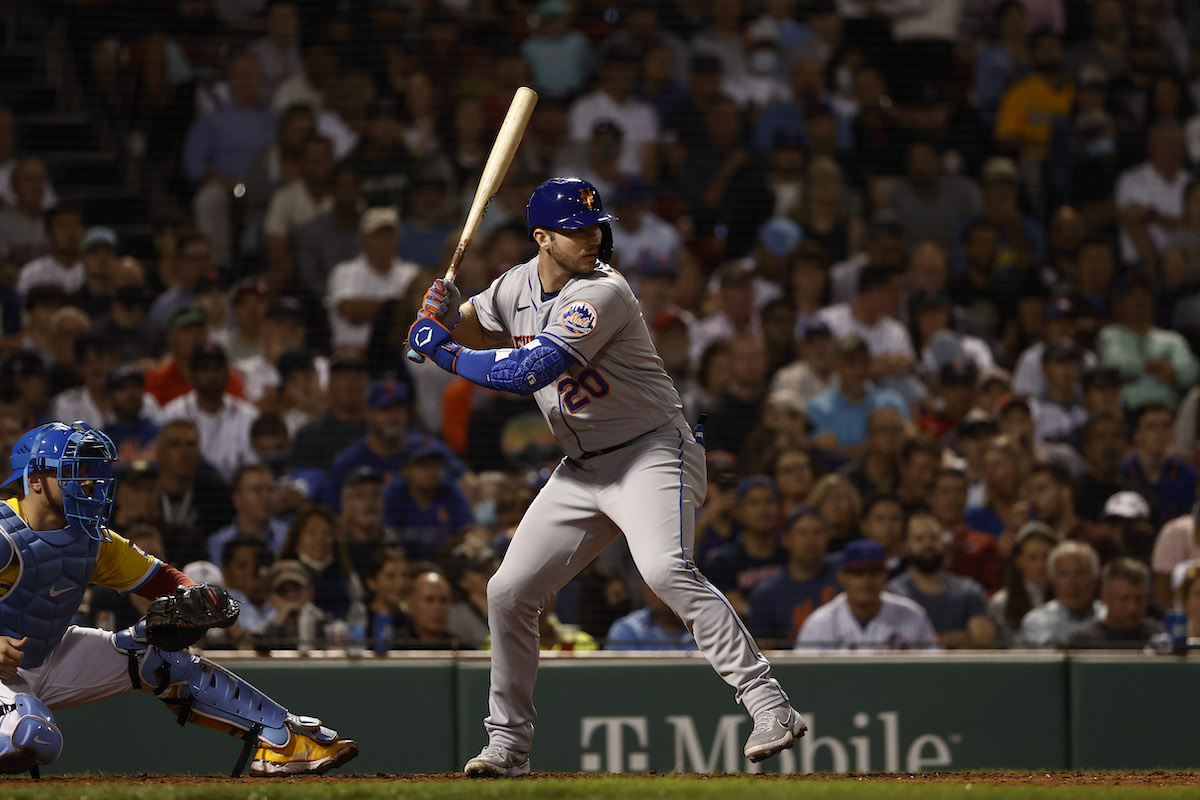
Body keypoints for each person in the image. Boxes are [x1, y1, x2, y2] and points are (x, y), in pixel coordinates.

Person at [405, 177, 807, 775]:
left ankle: (770, 704)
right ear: (542, 238)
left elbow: (526, 370)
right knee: (508, 592)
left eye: (596, 226)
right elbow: (465, 323)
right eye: (576, 230)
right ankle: (509, 746)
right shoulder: (513, 285)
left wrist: (439, 348)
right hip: (581, 467)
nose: (593, 237)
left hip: (651, 451)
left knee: (666, 569)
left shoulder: (605, 291)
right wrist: (438, 313)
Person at [0, 421, 356, 776]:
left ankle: (286, 739)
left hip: (46, 656)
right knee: (35, 736)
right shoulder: (4, 532)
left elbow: (160, 578)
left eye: (91, 470)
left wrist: (195, 597)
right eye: (74, 471)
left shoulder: (90, 539)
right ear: (35, 480)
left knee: (157, 657)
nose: (90, 482)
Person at [794, 539, 938, 650]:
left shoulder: (913, 616)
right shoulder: (819, 624)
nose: (866, 580)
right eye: (858, 573)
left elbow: (934, 670)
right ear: (842, 577)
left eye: (874, 572)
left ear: (885, 576)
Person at [886, 510, 996, 648]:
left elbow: (984, 643)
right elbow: (898, 647)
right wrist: (959, 637)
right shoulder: (893, 594)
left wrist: (925, 643)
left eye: (934, 537)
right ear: (905, 545)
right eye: (919, 539)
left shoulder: (969, 590)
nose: (928, 544)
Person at [747, 505, 840, 649]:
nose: (811, 540)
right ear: (786, 539)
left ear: (828, 538)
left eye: (817, 532)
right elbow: (765, 653)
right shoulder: (766, 594)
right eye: (802, 533)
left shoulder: (846, 577)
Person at [1019, 540, 1104, 647]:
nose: (1072, 583)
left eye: (1080, 573)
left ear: (1094, 579)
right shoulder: (1036, 622)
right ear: (1052, 580)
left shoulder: (1109, 617)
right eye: (1064, 574)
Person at [1063, 558, 1163, 649]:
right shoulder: (1082, 642)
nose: (1132, 607)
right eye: (1124, 599)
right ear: (1104, 596)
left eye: (1139, 599)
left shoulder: (1159, 637)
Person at [990, 522, 1057, 644]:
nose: (1040, 565)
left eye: (1046, 556)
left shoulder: (1067, 598)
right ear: (1019, 561)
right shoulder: (1002, 603)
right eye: (1032, 558)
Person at [605, 583, 698, 651]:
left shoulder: (706, 627)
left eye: (669, 586)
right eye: (656, 586)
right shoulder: (627, 630)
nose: (661, 594)